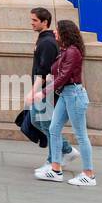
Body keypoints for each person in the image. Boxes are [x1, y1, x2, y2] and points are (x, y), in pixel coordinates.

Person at [35, 20, 96, 186]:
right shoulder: (65, 50)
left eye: (57, 31)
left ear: (65, 33)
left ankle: (89, 174)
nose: (54, 33)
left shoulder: (73, 52)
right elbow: (58, 72)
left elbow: (64, 76)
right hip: (65, 94)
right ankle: (55, 169)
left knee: (81, 135)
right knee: (54, 128)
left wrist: (44, 92)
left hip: (74, 94)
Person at [18, 7, 76, 162]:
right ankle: (63, 152)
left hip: (46, 92)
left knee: (48, 125)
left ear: (45, 22)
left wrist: (33, 92)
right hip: (44, 91)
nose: (32, 23)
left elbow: (43, 71)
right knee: (38, 122)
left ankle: (56, 159)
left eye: (35, 20)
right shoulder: (44, 40)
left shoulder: (47, 42)